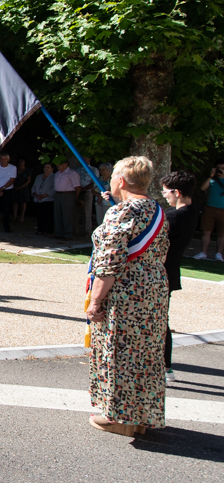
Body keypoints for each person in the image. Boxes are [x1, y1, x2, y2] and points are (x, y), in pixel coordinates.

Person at [85, 156, 170, 437]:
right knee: (145, 354)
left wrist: (95, 301)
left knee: (119, 352)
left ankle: (119, 418)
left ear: (120, 181)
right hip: (154, 289)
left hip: (125, 291)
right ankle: (140, 416)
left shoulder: (121, 212)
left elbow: (110, 263)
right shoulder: (157, 210)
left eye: (113, 177)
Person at [159, 170, 198, 384]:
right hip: (171, 272)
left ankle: (165, 367)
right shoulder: (192, 212)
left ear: (176, 192)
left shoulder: (174, 217)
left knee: (159, 322)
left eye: (166, 192)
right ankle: (166, 366)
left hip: (161, 272)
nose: (164, 195)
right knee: (162, 320)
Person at [193, 160, 224, 261]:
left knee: (222, 233)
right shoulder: (212, 180)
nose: (221, 170)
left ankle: (219, 254)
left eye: (223, 169)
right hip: (210, 208)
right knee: (206, 231)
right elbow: (202, 188)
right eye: (219, 168)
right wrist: (211, 176)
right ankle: (203, 252)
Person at [52, 158, 81, 240]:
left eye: (59, 164)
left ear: (65, 164)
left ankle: (67, 234)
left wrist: (75, 198)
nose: (57, 166)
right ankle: (58, 233)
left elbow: (77, 187)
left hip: (68, 194)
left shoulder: (72, 173)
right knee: (58, 214)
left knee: (67, 215)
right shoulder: (57, 173)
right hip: (58, 194)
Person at [31, 162, 56, 236]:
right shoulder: (39, 176)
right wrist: (36, 194)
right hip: (38, 199)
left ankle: (48, 231)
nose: (46, 169)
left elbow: (54, 188)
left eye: (48, 167)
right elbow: (34, 187)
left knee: (48, 216)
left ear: (52, 169)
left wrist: (45, 195)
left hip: (48, 199)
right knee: (40, 215)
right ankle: (40, 230)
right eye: (45, 167)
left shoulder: (54, 177)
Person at [11, 158, 32, 225]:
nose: (21, 163)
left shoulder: (27, 171)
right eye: (19, 161)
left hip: (23, 188)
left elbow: (28, 180)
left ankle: (22, 216)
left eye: (22, 161)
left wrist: (21, 186)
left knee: (23, 202)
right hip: (15, 187)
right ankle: (15, 216)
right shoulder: (15, 169)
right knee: (15, 202)